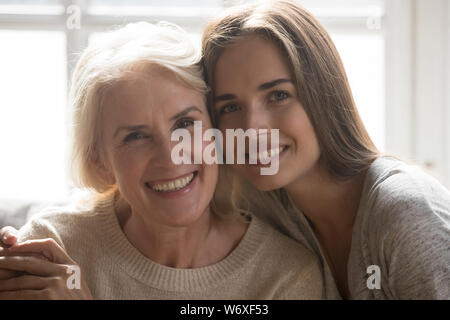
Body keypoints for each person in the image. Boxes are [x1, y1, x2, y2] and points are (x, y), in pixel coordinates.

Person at [0, 21, 323, 299]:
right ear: (100, 160)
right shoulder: (51, 250)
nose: (171, 156)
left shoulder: (285, 275)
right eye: (135, 136)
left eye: (185, 124)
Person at [200, 0, 450, 299]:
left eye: (278, 95)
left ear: (322, 94)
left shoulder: (406, 213)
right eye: (230, 107)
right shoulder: (260, 212)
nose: (252, 129)